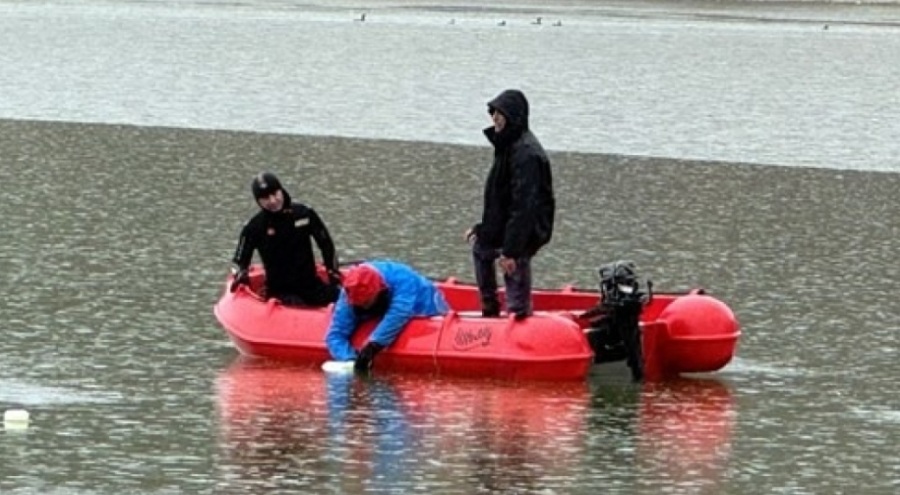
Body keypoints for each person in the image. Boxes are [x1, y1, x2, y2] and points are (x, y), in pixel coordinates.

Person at [464, 89, 555, 320]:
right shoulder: (506, 146)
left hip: (523, 231)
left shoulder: (527, 154)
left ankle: (519, 317)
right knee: (481, 248)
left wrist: (511, 251)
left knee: (514, 269)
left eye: (500, 114)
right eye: (493, 113)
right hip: (502, 226)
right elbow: (499, 199)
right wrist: (482, 228)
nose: (494, 118)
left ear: (513, 116)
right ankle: (490, 312)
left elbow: (524, 207)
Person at [231, 171, 341, 307]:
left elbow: (326, 244)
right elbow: (242, 261)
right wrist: (242, 275)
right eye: (265, 198)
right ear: (258, 201)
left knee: (346, 299)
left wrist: (332, 273)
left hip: (311, 285)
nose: (272, 200)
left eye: (275, 194)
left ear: (281, 190)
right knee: (297, 305)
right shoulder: (254, 227)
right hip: (280, 292)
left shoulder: (304, 214)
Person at [325, 260, 449, 372]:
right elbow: (335, 335)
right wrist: (349, 359)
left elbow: (398, 314)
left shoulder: (403, 279)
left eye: (366, 302)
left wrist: (373, 345)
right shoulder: (349, 291)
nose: (364, 307)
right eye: (359, 304)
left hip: (425, 304)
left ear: (379, 291)